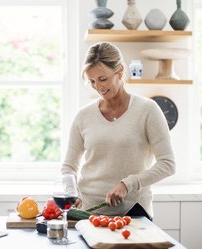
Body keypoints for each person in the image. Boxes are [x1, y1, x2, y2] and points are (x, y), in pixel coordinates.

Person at [61, 42, 175, 220]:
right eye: (92, 81)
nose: (98, 87)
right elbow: (68, 167)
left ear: (120, 71)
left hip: (133, 212)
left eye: (103, 79)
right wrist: (71, 192)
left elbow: (168, 164)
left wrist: (127, 184)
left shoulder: (148, 110)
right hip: (88, 213)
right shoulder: (83, 116)